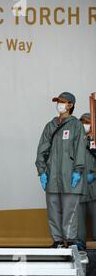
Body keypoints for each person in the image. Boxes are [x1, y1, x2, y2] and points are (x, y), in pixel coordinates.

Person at [35, 92, 86, 248]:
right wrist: (42, 171)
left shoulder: (76, 125)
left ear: (70, 105)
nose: (59, 105)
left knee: (70, 210)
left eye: (62, 102)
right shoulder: (51, 125)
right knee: (53, 209)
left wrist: (78, 170)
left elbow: (80, 150)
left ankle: (70, 241)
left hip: (70, 176)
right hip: (52, 177)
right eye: (58, 102)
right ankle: (57, 241)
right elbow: (42, 149)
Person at [77, 113, 96, 250]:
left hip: (93, 184)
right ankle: (79, 242)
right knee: (78, 217)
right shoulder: (75, 140)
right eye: (83, 121)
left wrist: (94, 174)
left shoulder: (94, 140)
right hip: (77, 186)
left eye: (88, 121)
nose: (86, 124)